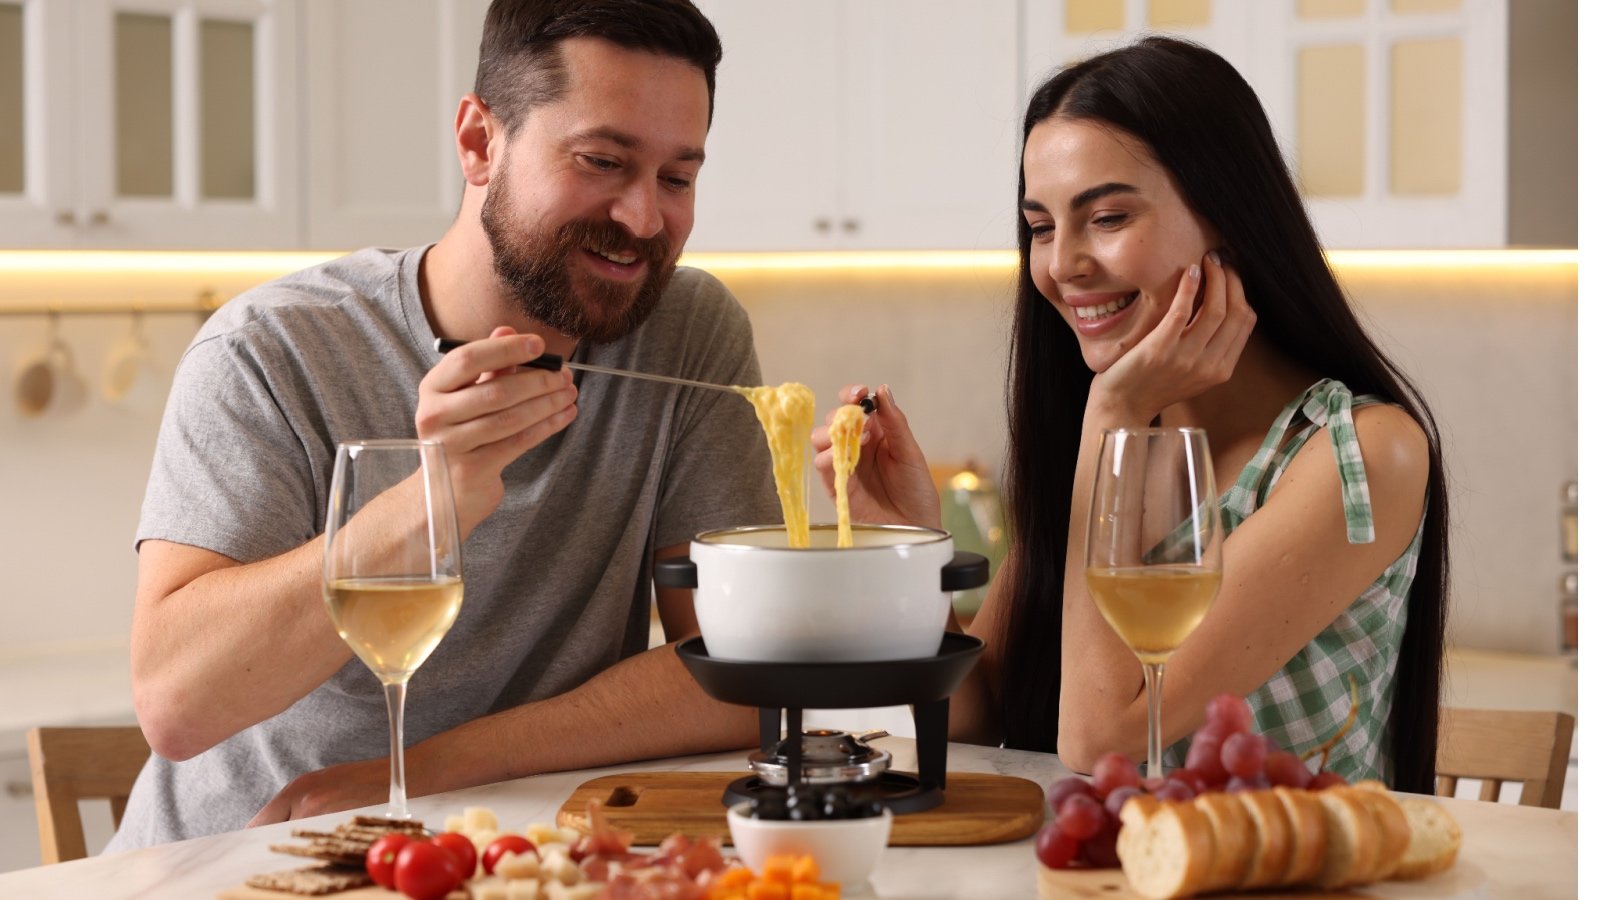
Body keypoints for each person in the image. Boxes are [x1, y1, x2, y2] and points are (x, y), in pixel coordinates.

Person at [109, 0, 780, 850]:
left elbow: (743, 669)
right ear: (478, 143)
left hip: (514, 854)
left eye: (678, 178)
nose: (644, 220)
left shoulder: (689, 332)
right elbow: (177, 702)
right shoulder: (271, 349)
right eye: (603, 161)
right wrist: (436, 496)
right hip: (243, 859)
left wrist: (430, 771)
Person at [813, 36, 1448, 792]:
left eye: (1107, 217)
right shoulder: (1112, 431)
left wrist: (1112, 412)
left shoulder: (1360, 455)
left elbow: (1099, 739)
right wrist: (911, 551)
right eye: (1041, 227)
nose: (1062, 264)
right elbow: (980, 715)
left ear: (1226, 215)